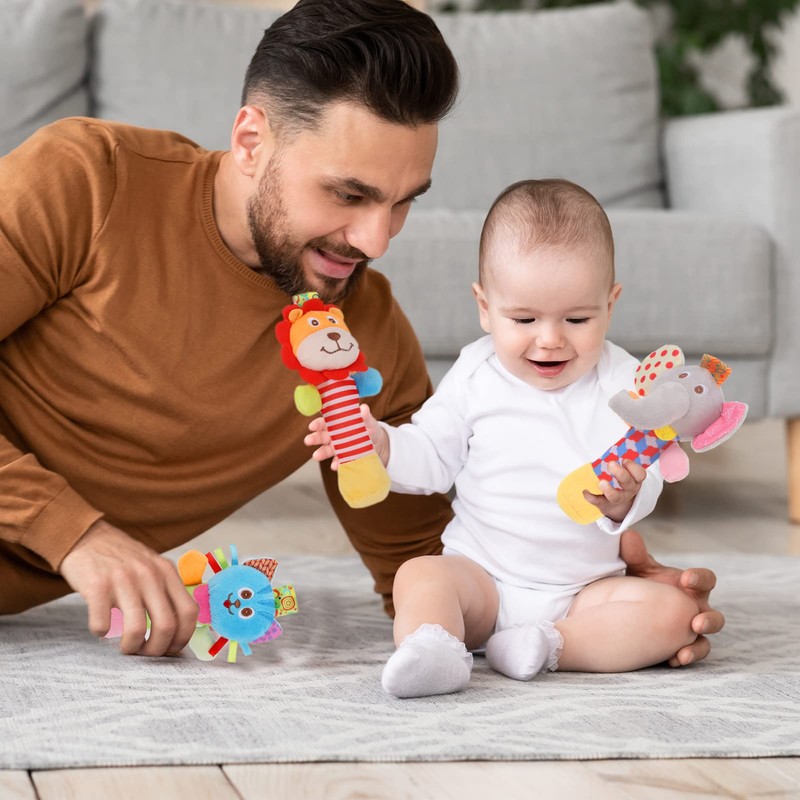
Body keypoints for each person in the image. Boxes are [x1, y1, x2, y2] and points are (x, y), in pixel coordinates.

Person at [0, 0, 721, 664]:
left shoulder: (365, 332)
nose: (376, 239)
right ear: (251, 141)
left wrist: (598, 596)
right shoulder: (90, 182)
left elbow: (426, 558)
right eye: (349, 194)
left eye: (404, 202)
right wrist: (77, 535)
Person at [307, 178, 713, 698]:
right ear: (484, 306)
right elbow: (432, 456)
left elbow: (650, 466)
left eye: (578, 318)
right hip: (482, 578)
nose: (550, 339)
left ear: (610, 305)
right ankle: (434, 648)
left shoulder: (628, 384)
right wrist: (382, 444)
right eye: (523, 318)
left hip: (584, 590)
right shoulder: (475, 373)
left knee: (676, 613)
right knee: (420, 576)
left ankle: (549, 645)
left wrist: (627, 498)